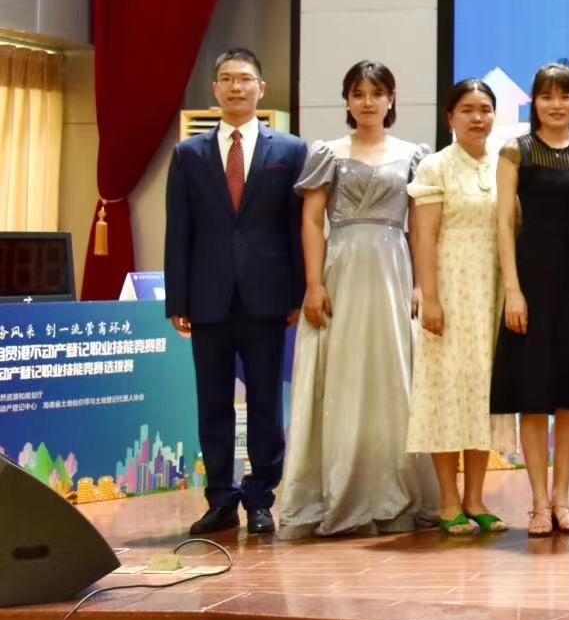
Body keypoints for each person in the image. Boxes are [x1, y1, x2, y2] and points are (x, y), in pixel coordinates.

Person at [276, 60, 435, 538]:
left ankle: (395, 494)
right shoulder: (328, 153)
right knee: (341, 375)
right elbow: (311, 220)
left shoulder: (414, 154)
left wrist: (421, 284)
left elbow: (420, 226)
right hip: (341, 269)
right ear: (347, 100)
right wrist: (314, 283)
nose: (368, 102)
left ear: (391, 99)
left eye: (376, 93)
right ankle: (337, 491)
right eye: (358, 93)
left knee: (392, 376)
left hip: (393, 269)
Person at [163, 47, 307, 536]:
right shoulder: (188, 153)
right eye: (226, 79)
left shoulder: (290, 150)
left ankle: (261, 498)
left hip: (268, 299)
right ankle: (220, 500)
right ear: (215, 90)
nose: (236, 87)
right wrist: (178, 300)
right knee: (213, 404)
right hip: (208, 300)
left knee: (266, 403)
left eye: (244, 79)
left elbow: (296, 229)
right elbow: (178, 232)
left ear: (260, 89)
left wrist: (297, 294)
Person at [494, 61, 569, 536]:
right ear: (534, 102)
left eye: (565, 96)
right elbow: (504, 223)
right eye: (546, 96)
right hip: (532, 284)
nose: (556, 105)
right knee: (534, 397)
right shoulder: (515, 151)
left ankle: (562, 499)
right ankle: (538, 503)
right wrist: (512, 290)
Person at [408, 79, 505, 535]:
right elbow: (423, 236)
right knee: (445, 393)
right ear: (450, 117)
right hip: (449, 290)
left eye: (485, 109)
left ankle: (476, 499)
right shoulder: (435, 166)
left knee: (482, 393)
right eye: (467, 109)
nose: (477, 118)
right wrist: (430, 296)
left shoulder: (505, 164)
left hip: (492, 293)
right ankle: (448, 501)